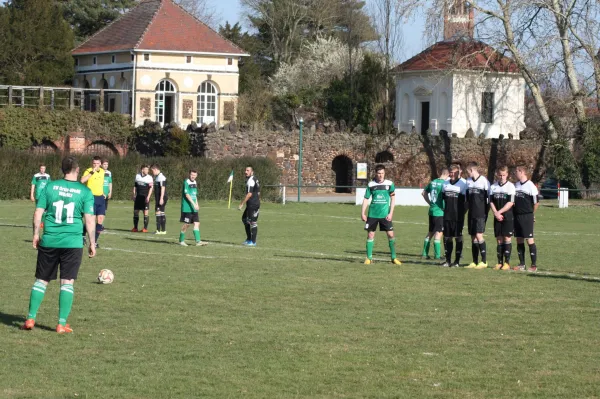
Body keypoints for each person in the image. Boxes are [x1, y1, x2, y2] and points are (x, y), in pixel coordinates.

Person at [22, 156, 96, 334]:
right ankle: (61, 324)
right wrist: (92, 243)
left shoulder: (49, 186)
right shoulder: (84, 192)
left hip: (49, 241)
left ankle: (31, 318)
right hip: (73, 242)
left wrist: (35, 234)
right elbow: (89, 219)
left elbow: (38, 212)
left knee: (41, 280)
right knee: (67, 282)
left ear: (63, 170)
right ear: (77, 170)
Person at [361, 164, 402, 265]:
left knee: (391, 234)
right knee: (370, 235)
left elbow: (393, 199)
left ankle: (393, 258)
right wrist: (363, 213)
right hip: (372, 214)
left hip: (385, 215)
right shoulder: (371, 185)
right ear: (376, 173)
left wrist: (391, 213)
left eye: (382, 173)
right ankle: (369, 258)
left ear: (384, 173)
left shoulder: (389, 184)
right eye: (379, 173)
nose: (380, 175)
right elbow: (366, 199)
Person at [464, 162, 491, 269]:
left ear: (472, 170)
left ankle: (484, 261)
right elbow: (467, 198)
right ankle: (474, 261)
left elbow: (488, 199)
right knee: (473, 237)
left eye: (468, 172)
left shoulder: (484, 181)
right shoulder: (468, 182)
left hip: (481, 213)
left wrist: (485, 213)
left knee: (479, 235)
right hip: (471, 213)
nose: (467, 174)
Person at [513, 166, 539, 272]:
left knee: (529, 240)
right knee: (519, 239)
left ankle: (533, 265)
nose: (515, 174)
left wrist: (532, 214)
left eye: (516, 172)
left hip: (527, 215)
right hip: (517, 216)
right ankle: (522, 264)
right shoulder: (516, 185)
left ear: (522, 172)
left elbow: (536, 203)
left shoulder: (530, 186)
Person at [489, 166, 516, 270]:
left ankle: (507, 263)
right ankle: (499, 262)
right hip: (497, 216)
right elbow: (491, 201)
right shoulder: (493, 187)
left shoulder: (510, 186)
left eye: (504, 175)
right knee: (499, 239)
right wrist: (495, 213)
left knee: (507, 238)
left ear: (507, 175)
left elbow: (511, 202)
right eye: (500, 175)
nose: (502, 177)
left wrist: (499, 212)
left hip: (507, 216)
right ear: (497, 174)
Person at [441, 164, 467, 267]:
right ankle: (447, 261)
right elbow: (442, 198)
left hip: (458, 216)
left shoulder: (463, 183)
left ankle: (456, 261)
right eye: (451, 172)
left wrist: (463, 212)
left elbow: (466, 201)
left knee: (458, 237)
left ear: (459, 172)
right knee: (447, 237)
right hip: (447, 215)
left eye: (455, 172)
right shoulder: (445, 183)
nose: (452, 174)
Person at [421, 168, 449, 260]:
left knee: (430, 232)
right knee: (439, 233)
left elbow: (423, 193)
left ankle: (424, 254)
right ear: (447, 175)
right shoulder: (444, 184)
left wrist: (430, 203)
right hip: (440, 212)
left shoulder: (433, 182)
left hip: (432, 210)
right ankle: (437, 256)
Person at [81, 156, 105, 247]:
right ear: (92, 163)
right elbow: (82, 180)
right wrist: (92, 172)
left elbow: (102, 184)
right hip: (91, 197)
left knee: (100, 219)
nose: (96, 165)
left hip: (100, 198)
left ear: (100, 164)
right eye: (94, 163)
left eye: (98, 163)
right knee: (91, 220)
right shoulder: (88, 170)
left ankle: (94, 241)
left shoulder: (103, 172)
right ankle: (83, 234)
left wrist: (104, 192)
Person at [179, 169, 207, 246]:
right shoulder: (186, 182)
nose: (193, 176)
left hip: (193, 207)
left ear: (196, 175)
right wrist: (194, 204)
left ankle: (198, 241)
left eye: (194, 175)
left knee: (197, 223)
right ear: (189, 174)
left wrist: (197, 204)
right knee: (187, 224)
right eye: (191, 174)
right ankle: (181, 240)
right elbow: (187, 195)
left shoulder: (195, 182)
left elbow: (195, 195)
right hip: (187, 207)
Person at [238, 166, 260, 246]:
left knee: (253, 222)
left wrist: (242, 203)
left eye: (248, 170)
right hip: (252, 204)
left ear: (252, 172)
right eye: (245, 170)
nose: (245, 172)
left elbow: (249, 194)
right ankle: (249, 239)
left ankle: (253, 242)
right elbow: (258, 192)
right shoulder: (254, 179)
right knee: (244, 219)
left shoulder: (251, 180)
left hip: (253, 204)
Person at [132, 164, 153, 232]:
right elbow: (135, 186)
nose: (147, 171)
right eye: (146, 169)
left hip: (145, 197)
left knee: (145, 212)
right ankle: (135, 228)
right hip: (138, 197)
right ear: (142, 169)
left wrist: (148, 197)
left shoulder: (150, 178)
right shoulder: (137, 176)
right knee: (136, 212)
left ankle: (145, 228)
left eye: (148, 169)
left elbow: (151, 188)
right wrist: (134, 194)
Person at [30, 163, 51, 228]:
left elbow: (49, 185)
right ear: (39, 168)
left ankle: (43, 223)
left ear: (45, 169)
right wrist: (31, 195)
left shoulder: (47, 176)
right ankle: (37, 222)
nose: (42, 169)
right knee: (38, 210)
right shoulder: (36, 176)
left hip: (45, 196)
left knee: (45, 210)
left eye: (44, 168)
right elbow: (33, 185)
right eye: (41, 168)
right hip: (38, 195)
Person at [151, 164, 168, 234]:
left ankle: (159, 230)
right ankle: (163, 230)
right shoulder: (157, 177)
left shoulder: (161, 177)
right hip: (159, 198)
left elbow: (163, 188)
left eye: (152, 171)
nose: (152, 172)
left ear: (155, 169)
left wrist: (161, 198)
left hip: (161, 198)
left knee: (158, 212)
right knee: (161, 212)